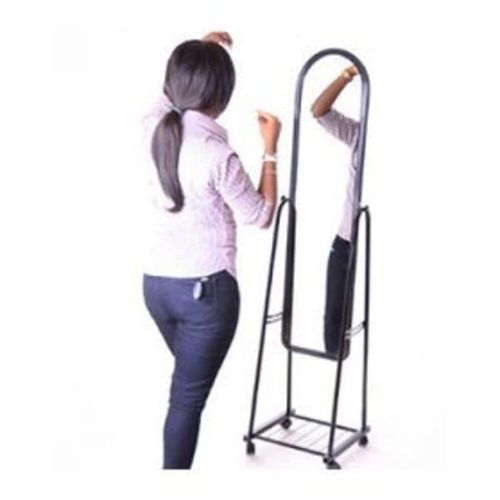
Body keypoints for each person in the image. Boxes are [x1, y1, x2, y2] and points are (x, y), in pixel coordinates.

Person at [140, 31, 281, 469]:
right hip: (206, 295)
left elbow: (166, 96)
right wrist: (271, 150)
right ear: (224, 93)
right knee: (185, 402)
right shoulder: (218, 155)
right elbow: (261, 215)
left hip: (156, 288)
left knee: (186, 391)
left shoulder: (151, 127)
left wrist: (198, 52)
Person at [310, 64, 360, 360]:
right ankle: (334, 366)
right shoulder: (359, 133)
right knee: (333, 332)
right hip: (345, 240)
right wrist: (347, 75)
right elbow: (319, 111)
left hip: (371, 245)